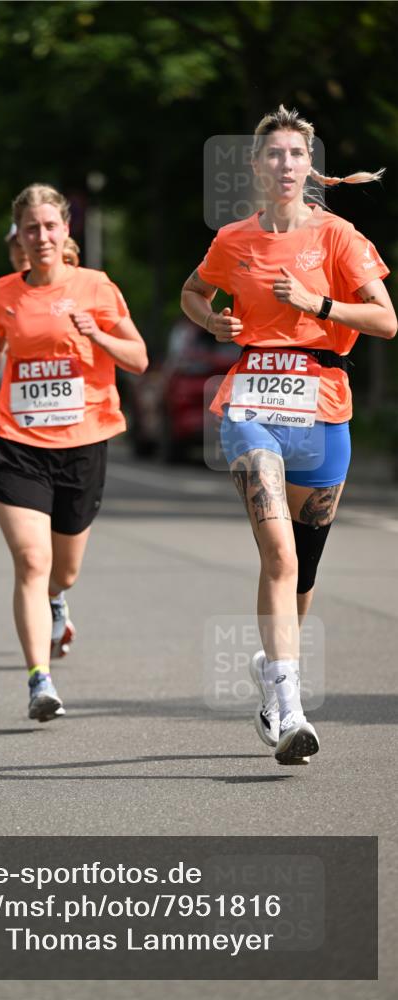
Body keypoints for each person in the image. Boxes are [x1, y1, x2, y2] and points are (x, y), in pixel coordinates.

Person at [181, 106, 396, 764]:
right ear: (255, 164)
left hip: (323, 405)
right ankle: (290, 710)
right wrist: (210, 322)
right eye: (272, 155)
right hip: (249, 402)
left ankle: (271, 672)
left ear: (309, 165)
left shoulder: (337, 237)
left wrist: (318, 305)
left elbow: (385, 321)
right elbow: (191, 291)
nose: (283, 165)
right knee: (276, 554)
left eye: (294, 155)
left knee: (300, 573)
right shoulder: (233, 239)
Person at [0, 183, 147, 722]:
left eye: (50, 226)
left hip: (82, 444)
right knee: (31, 559)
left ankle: (57, 601)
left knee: (62, 572)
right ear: (19, 237)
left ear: (65, 230)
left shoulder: (96, 287)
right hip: (17, 443)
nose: (41, 236)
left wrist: (98, 337)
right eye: (31, 228)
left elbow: (138, 358)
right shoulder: (4, 292)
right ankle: (38, 679)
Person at [0, 227, 80, 422]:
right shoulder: (0, 294)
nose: (20, 251)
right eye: (14, 246)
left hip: (74, 414)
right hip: (23, 414)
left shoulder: (81, 286)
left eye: (23, 244)